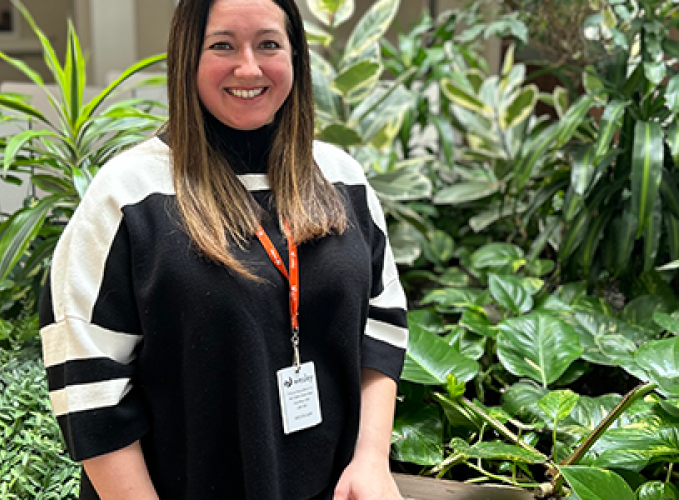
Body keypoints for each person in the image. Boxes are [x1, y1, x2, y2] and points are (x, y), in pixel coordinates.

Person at [38, 0, 409, 498]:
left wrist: (370, 462)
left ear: (295, 56)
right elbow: (88, 384)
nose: (249, 67)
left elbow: (381, 327)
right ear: (187, 56)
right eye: (223, 46)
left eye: (269, 44)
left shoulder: (342, 179)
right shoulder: (128, 194)